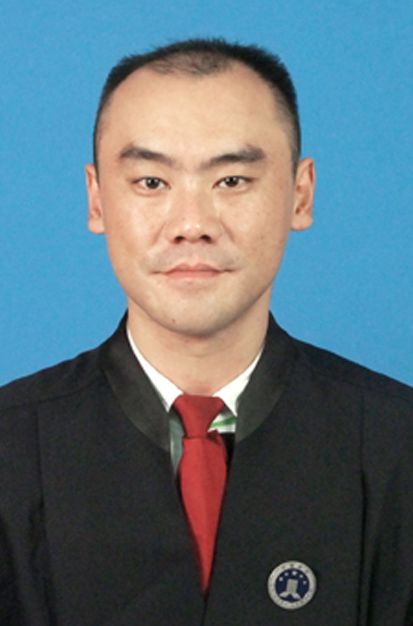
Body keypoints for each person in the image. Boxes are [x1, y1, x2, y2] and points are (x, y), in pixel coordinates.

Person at [0, 38, 412, 626]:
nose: (191, 225)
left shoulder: (398, 446)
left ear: (300, 194)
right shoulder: (10, 448)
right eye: (151, 182)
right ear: (97, 200)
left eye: (232, 180)